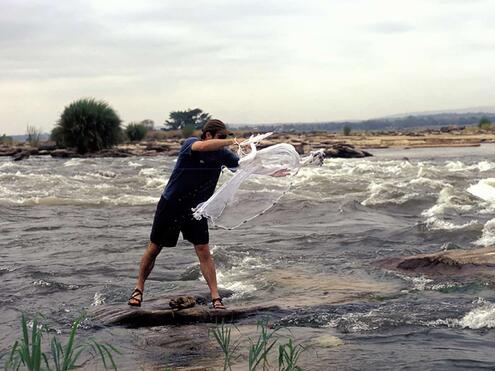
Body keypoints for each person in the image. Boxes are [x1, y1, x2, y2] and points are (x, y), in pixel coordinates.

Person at [128, 119, 241, 309]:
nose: (224, 141)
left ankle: (215, 297)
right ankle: (138, 288)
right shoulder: (190, 143)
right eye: (220, 137)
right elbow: (202, 147)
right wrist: (233, 142)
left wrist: (278, 170)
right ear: (208, 135)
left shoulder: (222, 155)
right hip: (171, 205)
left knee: (203, 251)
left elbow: (246, 166)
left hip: (197, 210)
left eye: (226, 137)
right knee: (155, 248)